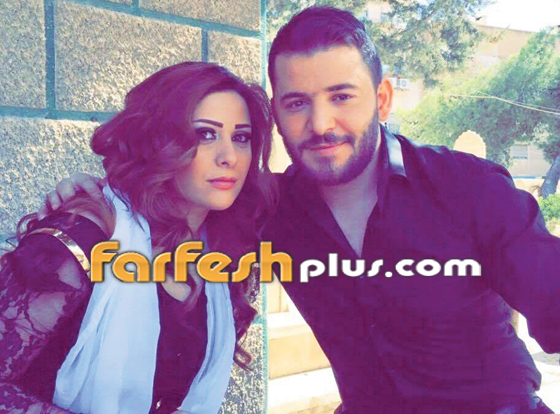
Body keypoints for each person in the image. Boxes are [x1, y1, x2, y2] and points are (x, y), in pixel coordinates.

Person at [37, 6, 560, 414]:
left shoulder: (468, 189)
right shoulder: (270, 210)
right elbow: (175, 203)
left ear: (382, 99)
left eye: (342, 97)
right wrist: (102, 195)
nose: (321, 124)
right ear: (277, 112)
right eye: (297, 103)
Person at [0, 61, 276, 414]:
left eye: (241, 137)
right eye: (205, 134)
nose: (229, 157)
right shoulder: (83, 239)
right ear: (158, 141)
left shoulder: (225, 254)